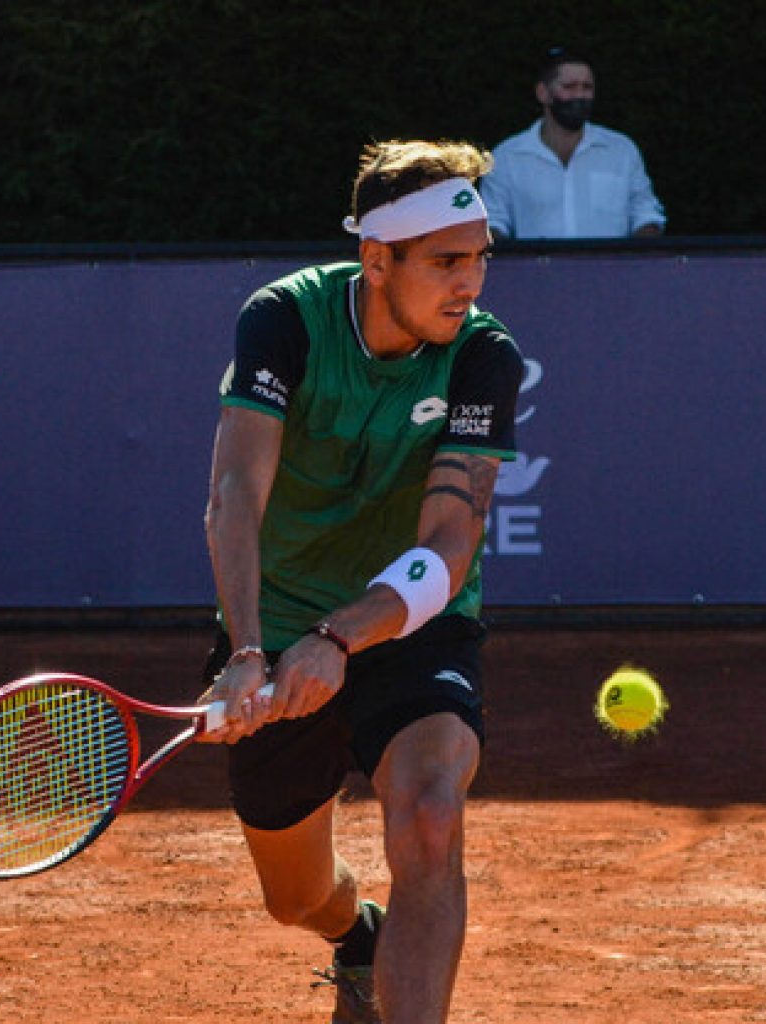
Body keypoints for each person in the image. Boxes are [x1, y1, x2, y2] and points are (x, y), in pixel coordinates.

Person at [198, 139, 523, 1024]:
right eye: (447, 262)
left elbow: (451, 542)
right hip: (279, 625)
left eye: (480, 260)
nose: (471, 284)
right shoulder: (285, 321)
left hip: (411, 626)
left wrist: (340, 637)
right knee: (295, 899)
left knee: (427, 815)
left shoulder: (484, 356)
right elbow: (235, 494)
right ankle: (358, 935)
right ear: (377, 261)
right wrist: (251, 649)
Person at [480, 46, 666, 239]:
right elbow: (493, 223)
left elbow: (646, 216)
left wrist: (641, 257)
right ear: (543, 93)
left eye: (587, 87)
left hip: (610, 269)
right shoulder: (507, 157)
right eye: (569, 87)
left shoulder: (621, 150)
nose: (580, 95)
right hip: (536, 270)